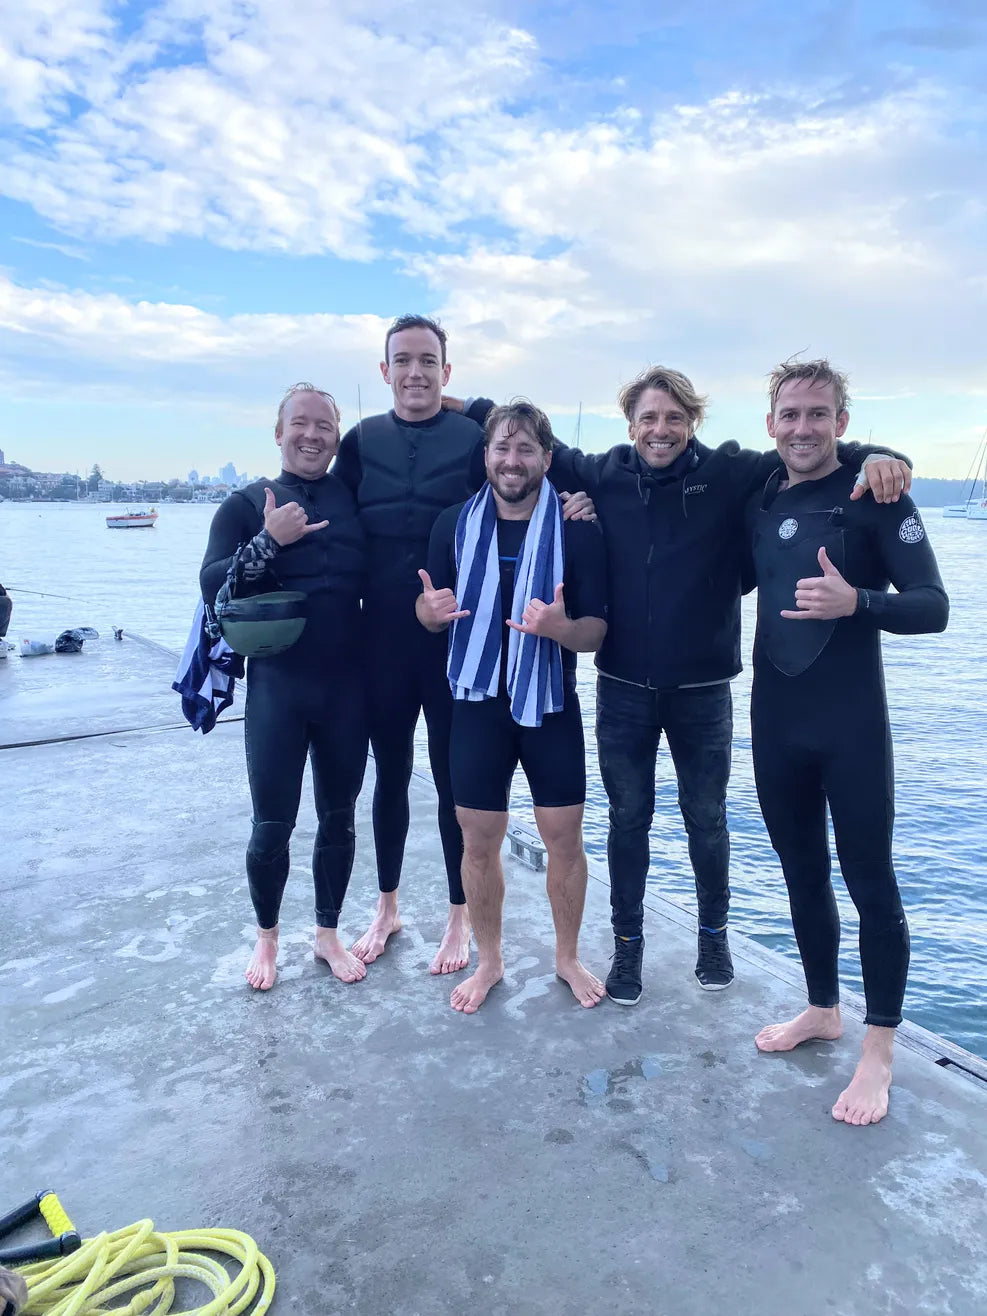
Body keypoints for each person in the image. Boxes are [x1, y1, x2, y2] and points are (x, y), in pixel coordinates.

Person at [449, 372, 911, 1007]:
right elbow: (529, 444)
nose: (660, 430)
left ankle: (713, 937)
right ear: (631, 424)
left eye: (673, 418)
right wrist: (457, 402)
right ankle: (628, 946)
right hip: (623, 687)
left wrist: (880, 456)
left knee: (707, 819)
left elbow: (807, 449)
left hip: (703, 687)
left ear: (692, 422)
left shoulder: (730, 472)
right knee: (627, 821)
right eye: (648, 418)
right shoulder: (605, 473)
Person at [333, 315, 593, 975]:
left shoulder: (473, 432)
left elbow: (545, 457)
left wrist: (582, 502)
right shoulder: (361, 440)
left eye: (428, 360)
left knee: (459, 787)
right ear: (384, 369)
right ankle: (386, 906)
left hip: (462, 641)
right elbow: (330, 517)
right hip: (387, 634)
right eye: (402, 360)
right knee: (389, 774)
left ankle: (459, 919)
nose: (414, 372)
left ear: (446, 371)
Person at [747, 358, 948, 1126]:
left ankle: (878, 1047)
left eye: (817, 414)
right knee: (800, 872)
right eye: (789, 414)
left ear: (840, 421)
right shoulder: (761, 492)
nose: (802, 428)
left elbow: (932, 606)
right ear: (770, 424)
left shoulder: (876, 495)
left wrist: (856, 602)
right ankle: (822, 1008)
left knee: (869, 882)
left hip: (850, 725)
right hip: (774, 721)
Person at [418, 401, 608, 1013]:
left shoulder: (577, 527)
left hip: (549, 702)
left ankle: (567, 956)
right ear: (486, 456)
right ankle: (490, 960)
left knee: (564, 839)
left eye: (526, 449)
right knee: (478, 842)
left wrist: (558, 629)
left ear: (547, 459)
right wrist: (428, 613)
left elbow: (596, 632)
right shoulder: (453, 525)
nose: (512, 460)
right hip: (477, 704)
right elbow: (428, 610)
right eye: (502, 447)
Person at [200, 384, 368, 990]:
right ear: (278, 433)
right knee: (272, 823)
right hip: (278, 687)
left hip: (347, 685)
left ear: (337, 437)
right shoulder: (246, 504)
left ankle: (327, 932)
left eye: (325, 425)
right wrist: (270, 540)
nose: (312, 435)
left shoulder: (353, 497)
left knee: (339, 817)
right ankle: (267, 936)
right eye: (300, 423)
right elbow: (210, 585)